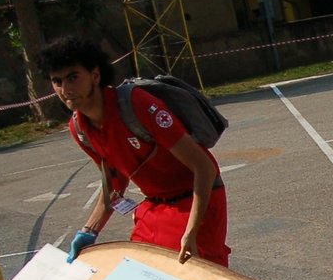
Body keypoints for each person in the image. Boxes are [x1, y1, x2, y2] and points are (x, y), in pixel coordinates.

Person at [38, 36, 230, 267]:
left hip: (196, 200)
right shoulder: (79, 128)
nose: (65, 89)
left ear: (95, 76)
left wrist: (190, 232)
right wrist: (89, 232)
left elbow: (204, 168)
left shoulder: (136, 104)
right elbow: (114, 183)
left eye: (73, 77)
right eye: (57, 81)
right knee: (137, 276)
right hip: (154, 207)